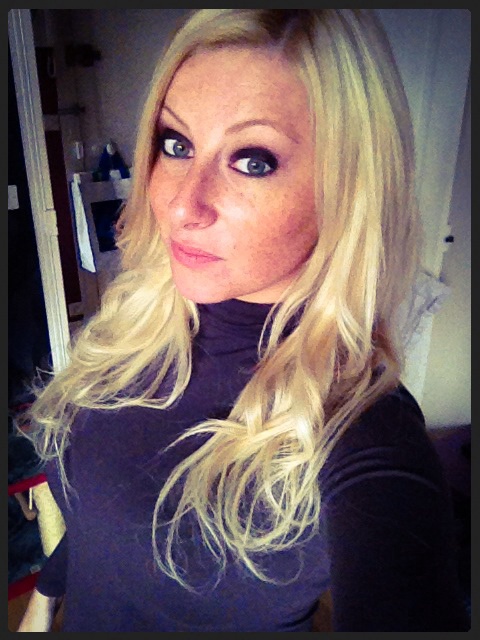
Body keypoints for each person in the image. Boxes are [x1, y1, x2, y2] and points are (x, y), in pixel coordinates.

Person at [17, 9, 469, 632]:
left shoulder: (363, 432)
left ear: (347, 192)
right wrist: (43, 601)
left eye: (253, 161)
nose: (183, 204)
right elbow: (103, 510)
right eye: (177, 145)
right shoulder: (137, 325)